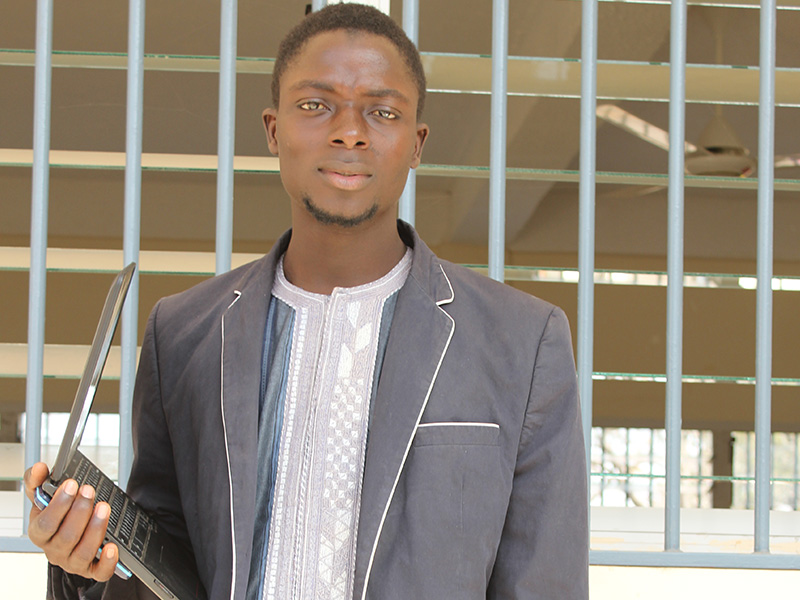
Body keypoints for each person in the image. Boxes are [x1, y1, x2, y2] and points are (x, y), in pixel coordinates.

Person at [24, 4, 588, 599]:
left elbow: (545, 584)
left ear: (417, 143)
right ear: (273, 129)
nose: (350, 130)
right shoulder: (183, 333)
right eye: (316, 105)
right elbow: (164, 573)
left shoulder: (522, 341)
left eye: (383, 110)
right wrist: (83, 561)